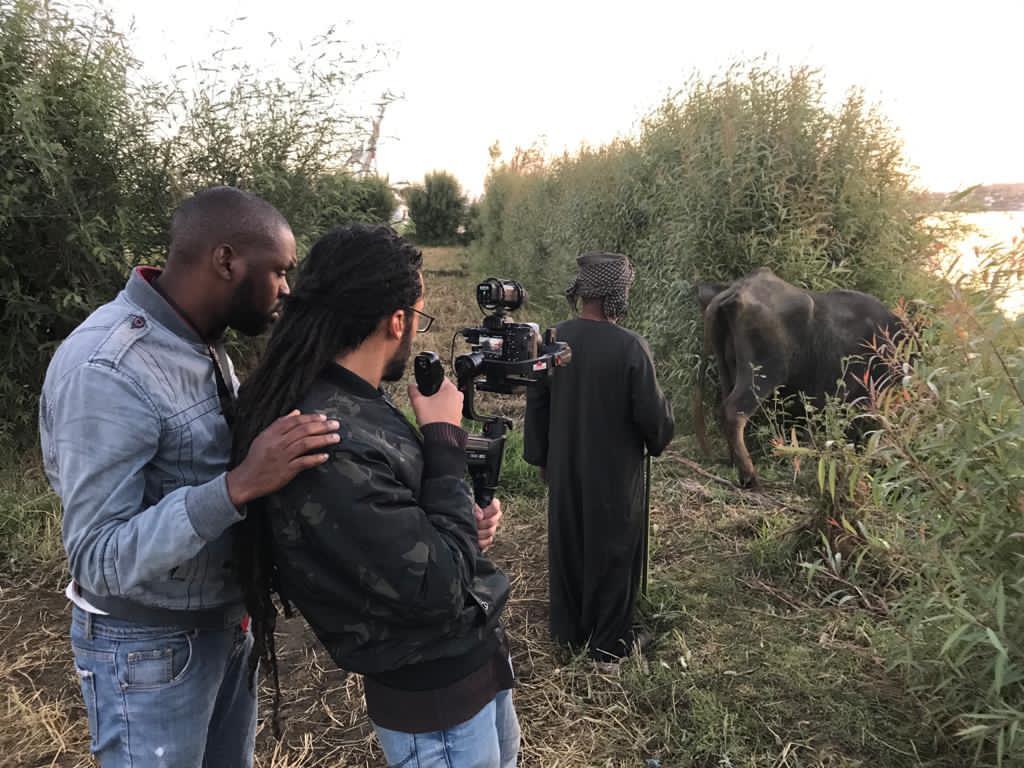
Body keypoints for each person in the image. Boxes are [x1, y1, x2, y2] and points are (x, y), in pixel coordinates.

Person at [39, 187, 343, 768]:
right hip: (146, 652)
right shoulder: (107, 368)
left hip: (220, 627)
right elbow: (97, 556)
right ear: (226, 261)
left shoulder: (199, 344)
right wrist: (237, 486)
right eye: (278, 271)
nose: (285, 289)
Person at [231, 223, 518, 767]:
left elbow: (411, 531)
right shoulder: (326, 439)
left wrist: (460, 518)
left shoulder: (352, 401)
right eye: (420, 315)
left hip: (467, 668)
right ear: (396, 321)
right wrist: (444, 438)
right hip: (434, 701)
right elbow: (438, 587)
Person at [523, 251, 675, 663]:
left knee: (568, 542)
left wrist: (541, 458)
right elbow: (653, 419)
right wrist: (662, 433)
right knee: (613, 550)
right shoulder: (630, 347)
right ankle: (609, 644)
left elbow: (536, 401)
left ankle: (569, 632)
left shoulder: (554, 341)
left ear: (583, 290)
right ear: (617, 294)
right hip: (613, 474)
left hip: (564, 467)